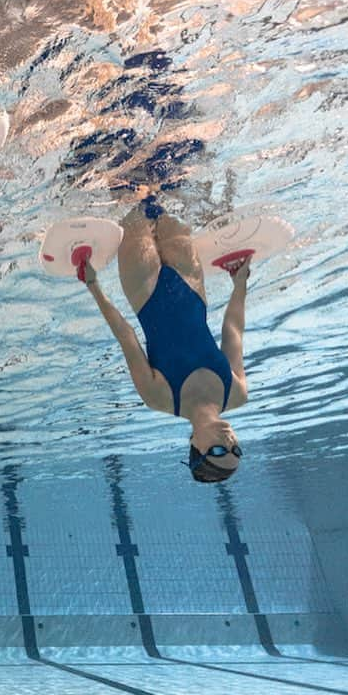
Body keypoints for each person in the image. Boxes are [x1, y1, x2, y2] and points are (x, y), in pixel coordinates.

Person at [82, 197, 249, 483]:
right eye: (236, 449)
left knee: (135, 206)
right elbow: (233, 330)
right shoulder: (235, 394)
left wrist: (93, 285)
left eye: (218, 450)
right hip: (192, 285)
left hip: (144, 289)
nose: (228, 440)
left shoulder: (159, 398)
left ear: (196, 446)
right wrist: (240, 284)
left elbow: (127, 338)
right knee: (166, 195)